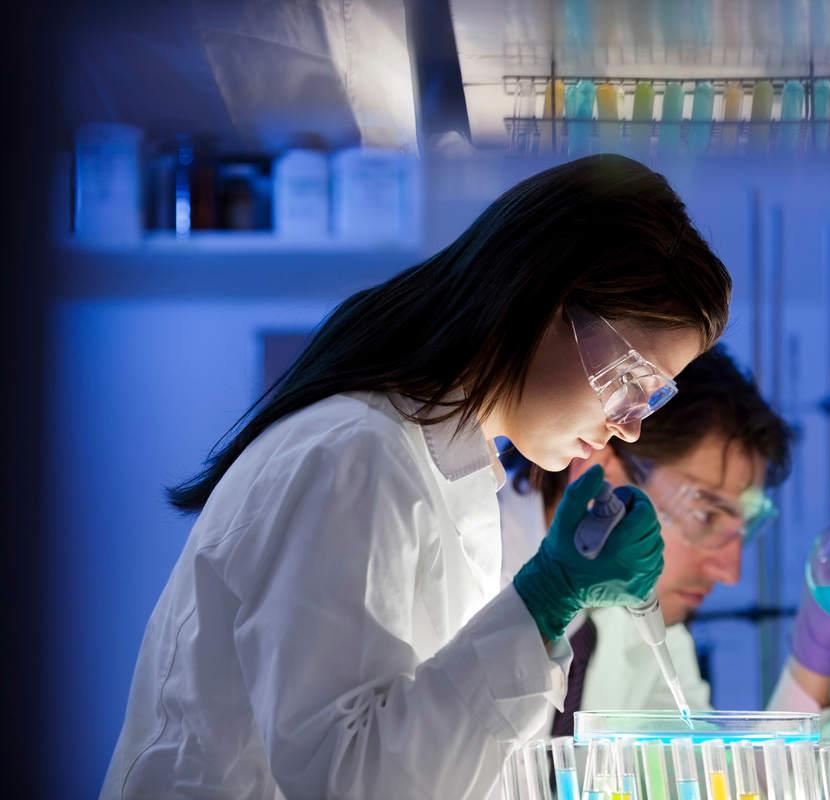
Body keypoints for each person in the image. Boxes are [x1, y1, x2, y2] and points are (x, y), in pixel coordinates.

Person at [101, 154, 732, 800]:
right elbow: (349, 779)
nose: (630, 426)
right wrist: (546, 601)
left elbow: (431, 757)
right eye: (630, 380)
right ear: (544, 300)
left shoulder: (447, 469)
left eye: (650, 397)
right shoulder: (356, 456)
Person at [498, 346, 830, 746]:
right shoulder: (467, 565)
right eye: (707, 515)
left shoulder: (645, 629)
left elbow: (721, 779)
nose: (730, 573)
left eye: (743, 530)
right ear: (600, 475)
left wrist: (815, 656)